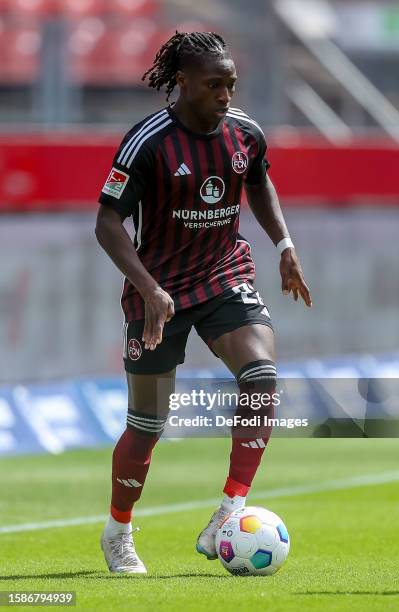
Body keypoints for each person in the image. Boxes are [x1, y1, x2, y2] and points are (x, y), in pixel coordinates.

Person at [95, 31, 312, 574]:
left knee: (261, 379)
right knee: (147, 423)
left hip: (223, 275)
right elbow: (106, 222)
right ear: (183, 83)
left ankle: (231, 510)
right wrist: (147, 286)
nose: (225, 94)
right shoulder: (148, 142)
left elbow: (258, 182)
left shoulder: (245, 134)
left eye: (231, 84)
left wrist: (283, 245)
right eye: (214, 85)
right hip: (159, 290)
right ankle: (118, 530)